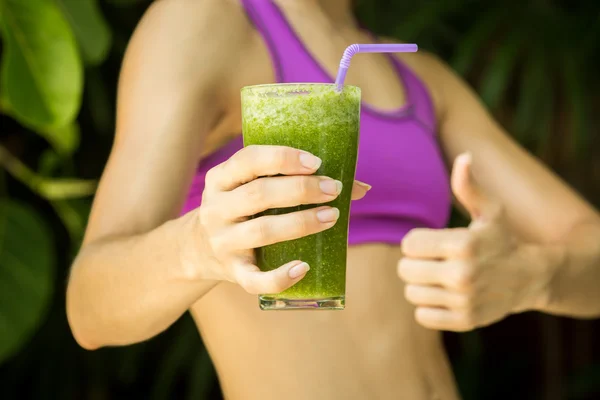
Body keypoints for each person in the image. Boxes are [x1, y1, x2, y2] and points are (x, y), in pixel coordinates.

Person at [66, 0, 600, 399]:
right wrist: (197, 247)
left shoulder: (422, 79)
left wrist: (537, 275)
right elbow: (88, 309)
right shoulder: (202, 22)